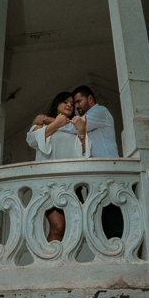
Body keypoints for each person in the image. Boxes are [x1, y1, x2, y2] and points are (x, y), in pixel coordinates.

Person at [26, 91, 89, 242]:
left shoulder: (76, 125)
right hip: (49, 184)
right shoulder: (42, 122)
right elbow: (33, 141)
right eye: (65, 102)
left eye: (72, 104)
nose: (69, 105)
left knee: (73, 232)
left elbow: (85, 153)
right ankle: (47, 264)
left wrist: (81, 131)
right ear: (57, 104)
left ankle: (62, 264)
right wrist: (56, 124)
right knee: (58, 227)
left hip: (72, 185)